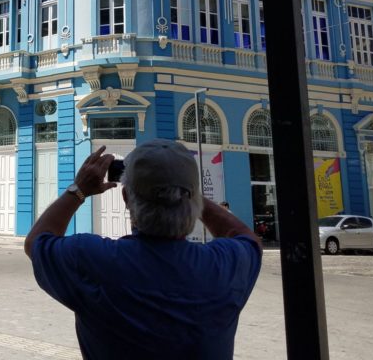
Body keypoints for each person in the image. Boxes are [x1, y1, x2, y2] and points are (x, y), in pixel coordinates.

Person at [25, 140, 262, 359]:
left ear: (126, 197)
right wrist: (185, 191)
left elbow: (37, 241)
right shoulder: (225, 267)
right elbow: (247, 239)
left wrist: (78, 190)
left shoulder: (92, 260)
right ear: (193, 200)